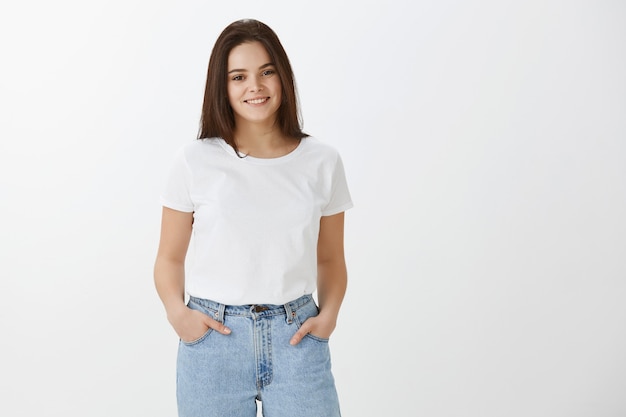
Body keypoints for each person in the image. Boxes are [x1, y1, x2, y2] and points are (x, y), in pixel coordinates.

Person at [153, 19, 353, 417]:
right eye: (238, 77)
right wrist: (180, 317)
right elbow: (169, 258)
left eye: (266, 72)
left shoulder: (322, 161)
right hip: (213, 343)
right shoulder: (195, 161)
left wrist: (328, 316)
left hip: (296, 337)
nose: (255, 87)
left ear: (282, 76)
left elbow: (330, 258)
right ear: (222, 88)